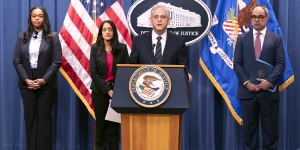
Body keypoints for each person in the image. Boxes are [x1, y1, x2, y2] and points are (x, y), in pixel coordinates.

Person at [233, 5, 285, 150]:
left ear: (266, 18)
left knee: (270, 133)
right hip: (247, 92)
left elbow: (281, 64)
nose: (256, 20)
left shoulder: (276, 39)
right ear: (250, 19)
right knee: (249, 135)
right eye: (254, 17)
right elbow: (236, 64)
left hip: (268, 93)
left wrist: (269, 82)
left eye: (260, 17)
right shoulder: (242, 39)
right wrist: (246, 83)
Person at [12, 5, 62, 150]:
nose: (37, 18)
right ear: (30, 18)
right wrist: (26, 79)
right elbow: (17, 60)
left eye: (40, 16)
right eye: (34, 16)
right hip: (26, 83)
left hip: (47, 84)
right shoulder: (22, 37)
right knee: (30, 120)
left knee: (45, 121)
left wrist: (43, 80)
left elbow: (56, 61)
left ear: (44, 18)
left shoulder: (53, 37)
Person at [90, 20, 129, 150]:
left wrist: (115, 90)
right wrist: (107, 90)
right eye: (104, 29)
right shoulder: (95, 48)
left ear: (114, 32)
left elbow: (126, 70)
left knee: (114, 127)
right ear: (101, 32)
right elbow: (93, 73)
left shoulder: (122, 48)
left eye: (110, 29)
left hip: (117, 92)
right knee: (101, 126)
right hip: (99, 92)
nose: (107, 32)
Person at [129, 3, 192, 82]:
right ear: (150, 20)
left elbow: (183, 66)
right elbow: (131, 66)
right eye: (156, 17)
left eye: (163, 17)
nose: (159, 20)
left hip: (171, 86)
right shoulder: (139, 40)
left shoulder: (178, 41)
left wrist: (185, 74)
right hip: (146, 86)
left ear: (169, 20)